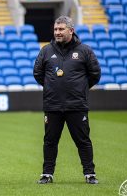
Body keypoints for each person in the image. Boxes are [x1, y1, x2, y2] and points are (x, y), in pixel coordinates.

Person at [33, 16, 101, 184]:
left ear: (71, 30)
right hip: (52, 105)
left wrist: (79, 89)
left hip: (77, 105)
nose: (57, 32)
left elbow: (95, 75)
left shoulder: (85, 51)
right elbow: (38, 74)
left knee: (83, 141)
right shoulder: (46, 51)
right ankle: (47, 174)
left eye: (61, 29)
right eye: (56, 29)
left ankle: (89, 173)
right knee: (50, 141)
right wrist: (52, 87)